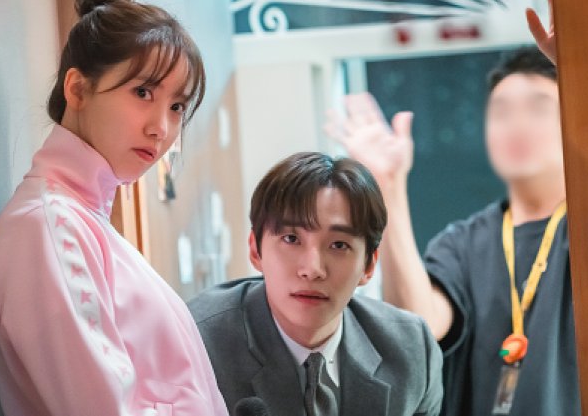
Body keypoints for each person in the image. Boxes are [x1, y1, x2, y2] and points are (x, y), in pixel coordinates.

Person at [0, 0, 227, 416]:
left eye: (177, 106)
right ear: (78, 89)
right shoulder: (48, 226)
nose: (162, 128)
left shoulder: (81, 219)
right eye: (142, 92)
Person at [326, 45, 577, 416]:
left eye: (538, 108)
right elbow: (420, 325)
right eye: (502, 112)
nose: (517, 125)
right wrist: (387, 184)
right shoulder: (462, 243)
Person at [189, 152, 443, 416]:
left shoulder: (412, 350)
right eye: (291, 239)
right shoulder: (197, 343)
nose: (313, 270)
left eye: (339, 245)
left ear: (368, 265)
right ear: (255, 251)